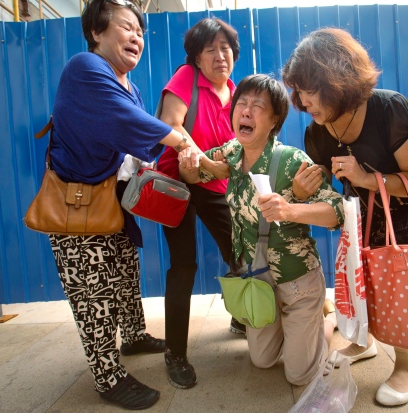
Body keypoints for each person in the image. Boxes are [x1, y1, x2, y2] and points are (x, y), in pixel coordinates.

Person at [282, 27, 408, 406]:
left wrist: (364, 177)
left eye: (311, 89)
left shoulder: (391, 110)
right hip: (365, 207)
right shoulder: (317, 130)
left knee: (393, 276)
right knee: (364, 272)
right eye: (299, 91)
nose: (304, 101)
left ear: (337, 78)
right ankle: (367, 339)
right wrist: (311, 183)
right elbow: (330, 174)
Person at [48, 0, 199, 409]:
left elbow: (130, 143)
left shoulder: (126, 83)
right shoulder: (86, 68)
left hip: (110, 199)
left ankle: (132, 337)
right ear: (97, 32)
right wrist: (183, 141)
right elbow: (131, 125)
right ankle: (108, 376)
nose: (137, 37)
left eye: (141, 32)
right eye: (127, 27)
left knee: (124, 273)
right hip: (77, 205)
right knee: (93, 292)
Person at [179, 74, 343, 386]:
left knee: (299, 376)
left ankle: (329, 319)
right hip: (258, 281)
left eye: (258, 106)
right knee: (262, 361)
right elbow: (197, 174)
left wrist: (290, 208)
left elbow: (337, 212)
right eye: (241, 104)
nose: (246, 111)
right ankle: (294, 330)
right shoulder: (231, 152)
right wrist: (188, 159)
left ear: (274, 120)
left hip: (297, 282)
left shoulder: (291, 160)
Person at [155, 17, 243, 390]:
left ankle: (241, 316)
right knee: (184, 265)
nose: (220, 56)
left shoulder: (236, 92)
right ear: (196, 56)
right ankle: (175, 352)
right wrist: (199, 157)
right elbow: (168, 125)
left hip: (215, 185)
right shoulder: (185, 79)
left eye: (225, 48)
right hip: (177, 182)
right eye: (211, 49)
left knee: (239, 250)